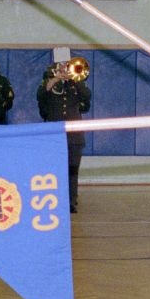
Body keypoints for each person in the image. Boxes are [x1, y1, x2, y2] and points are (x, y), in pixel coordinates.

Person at [37, 54, 93, 212]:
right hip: (54, 135)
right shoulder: (49, 82)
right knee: (54, 170)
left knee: (72, 170)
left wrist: (74, 79)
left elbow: (87, 97)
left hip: (74, 136)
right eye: (60, 65)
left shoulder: (75, 84)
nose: (64, 68)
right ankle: (54, 199)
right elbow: (40, 95)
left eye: (66, 65)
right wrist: (56, 79)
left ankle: (71, 201)